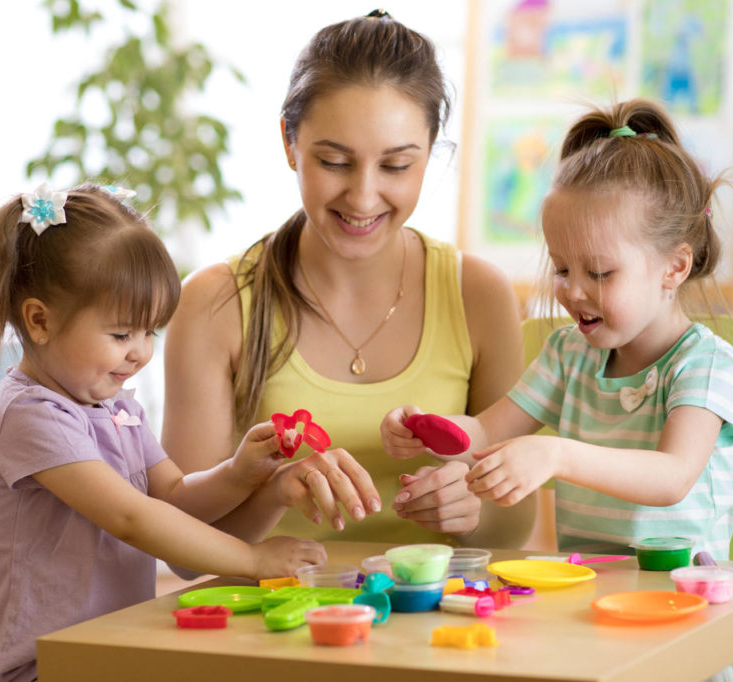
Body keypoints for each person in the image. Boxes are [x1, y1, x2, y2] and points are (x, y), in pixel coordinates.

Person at [162, 10, 537, 547]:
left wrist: (472, 508)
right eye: (335, 161)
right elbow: (184, 548)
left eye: (396, 166)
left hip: (437, 623)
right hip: (270, 621)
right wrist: (275, 491)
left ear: (430, 154)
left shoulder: (479, 295)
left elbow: (516, 529)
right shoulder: (215, 304)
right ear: (289, 144)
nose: (363, 197)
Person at [0, 183, 326, 682]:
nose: (140, 353)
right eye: (120, 334)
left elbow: (174, 495)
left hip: (113, 648)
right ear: (40, 321)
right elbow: (132, 517)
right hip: (42, 667)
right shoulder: (29, 415)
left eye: (148, 332)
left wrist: (240, 474)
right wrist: (252, 559)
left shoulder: (112, 408)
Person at [382, 97, 733, 562]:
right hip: (588, 589)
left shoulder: (705, 365)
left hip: (685, 594)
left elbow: (673, 476)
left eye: (599, 274)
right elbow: (482, 431)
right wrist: (425, 428)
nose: (573, 292)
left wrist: (557, 455)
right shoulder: (567, 354)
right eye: (561, 269)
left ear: (673, 267)